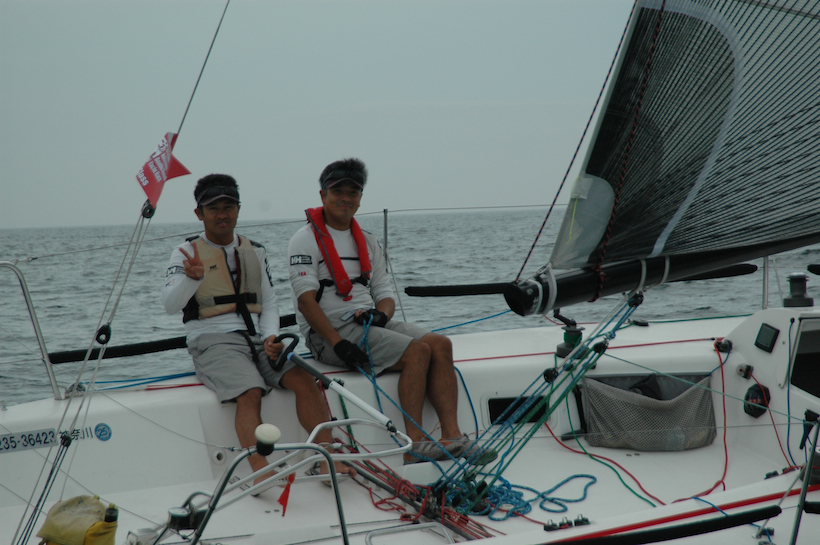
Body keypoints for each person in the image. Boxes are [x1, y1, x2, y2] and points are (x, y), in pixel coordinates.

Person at [287, 158, 494, 464]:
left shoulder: (369, 241)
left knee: (440, 344)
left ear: (360, 198)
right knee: (417, 352)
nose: (346, 198)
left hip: (367, 323)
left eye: (353, 192)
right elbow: (306, 302)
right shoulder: (304, 240)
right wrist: (338, 343)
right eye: (338, 191)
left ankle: (453, 437)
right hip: (328, 336)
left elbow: (384, 294)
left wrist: (380, 315)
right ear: (323, 195)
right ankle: (415, 445)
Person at [163, 173, 355, 485]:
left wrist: (270, 337)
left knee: (306, 379)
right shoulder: (185, 253)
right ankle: (260, 469)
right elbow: (171, 305)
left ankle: (326, 459)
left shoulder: (256, 250)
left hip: (256, 338)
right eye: (213, 208)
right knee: (250, 390)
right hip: (212, 339)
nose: (222, 214)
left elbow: (269, 301)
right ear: (199, 213)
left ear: (238, 209)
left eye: (228, 207)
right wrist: (191, 279)